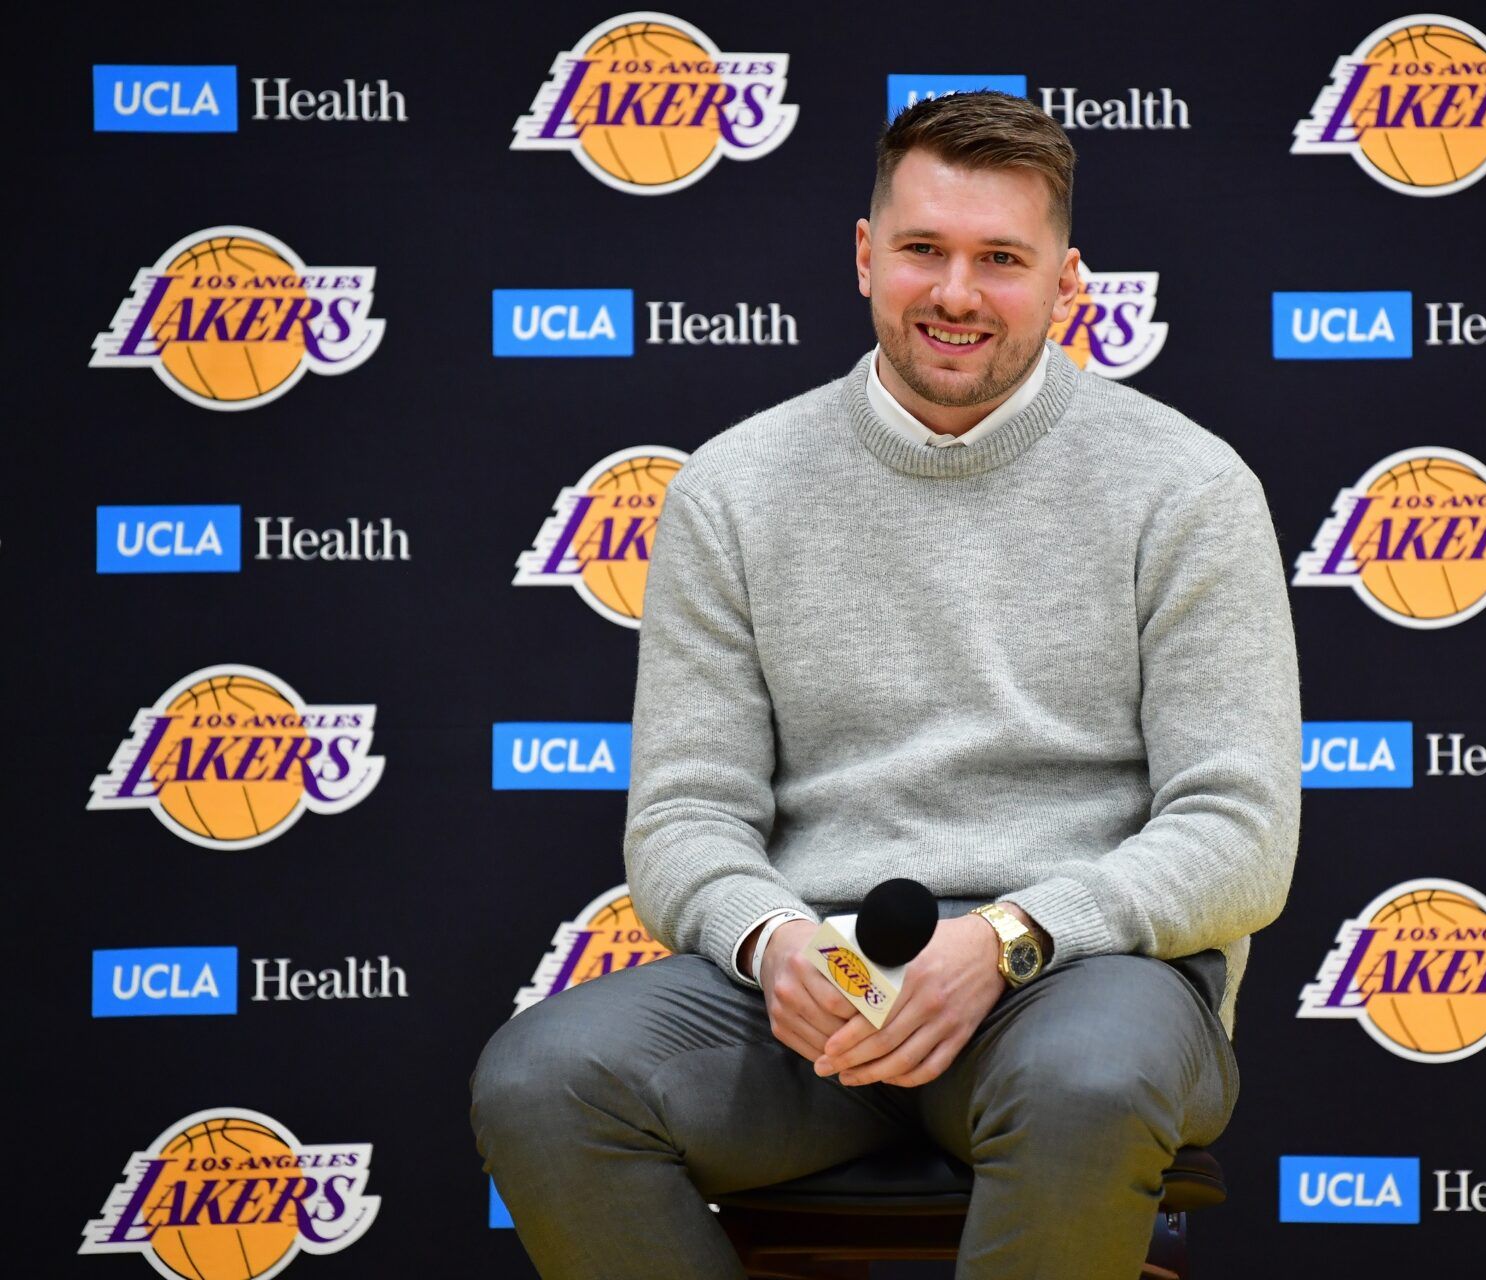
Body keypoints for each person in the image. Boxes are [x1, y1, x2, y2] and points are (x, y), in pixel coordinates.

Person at [472, 90, 1300, 1280]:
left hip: (1078, 984)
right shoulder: (732, 486)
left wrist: (1012, 937)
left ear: (1068, 282)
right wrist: (773, 943)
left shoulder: (1188, 486)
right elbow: (682, 815)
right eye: (924, 249)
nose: (956, 292)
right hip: (810, 996)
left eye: (1001, 259)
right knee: (542, 1078)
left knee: (1091, 1076)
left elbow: (1240, 832)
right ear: (867, 257)